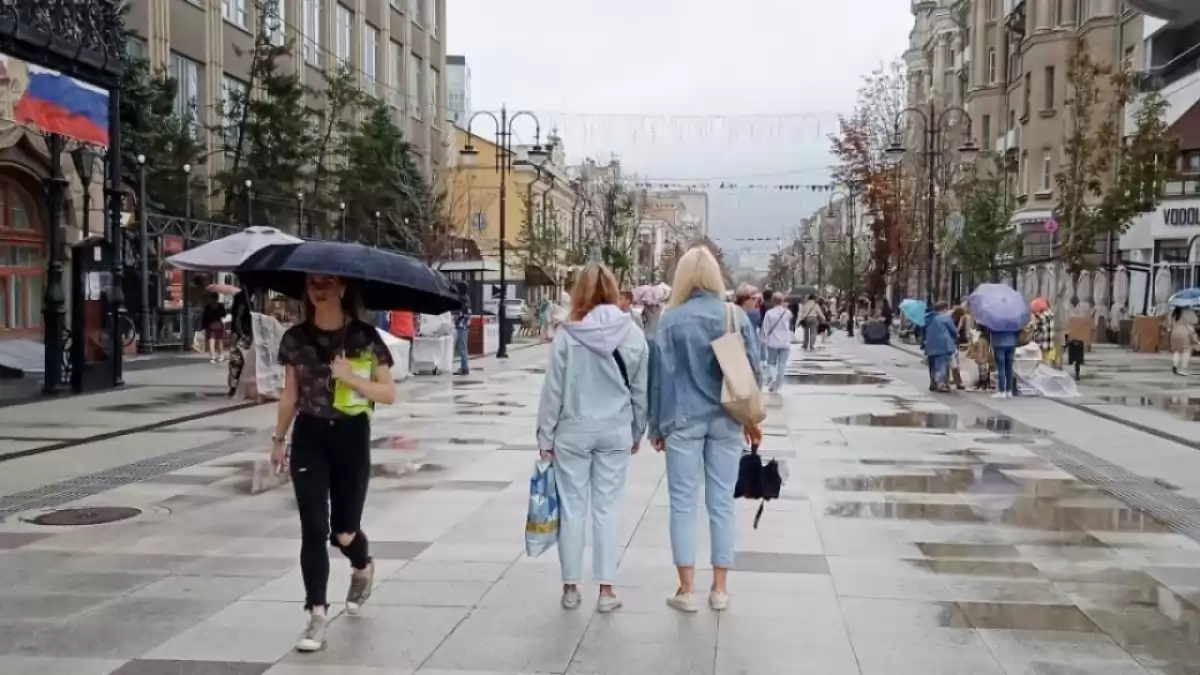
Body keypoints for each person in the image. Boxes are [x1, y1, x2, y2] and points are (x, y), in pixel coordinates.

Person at [270, 274, 396, 652]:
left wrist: (352, 378)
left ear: (342, 288)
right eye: (311, 283)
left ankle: (362, 566)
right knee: (313, 527)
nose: (317, 288)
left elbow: (388, 393)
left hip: (351, 436)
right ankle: (317, 616)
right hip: (309, 436)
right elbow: (290, 395)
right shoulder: (295, 339)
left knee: (342, 532)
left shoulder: (366, 338)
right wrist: (278, 440)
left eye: (326, 282)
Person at [648, 246, 760, 613]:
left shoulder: (670, 319)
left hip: (682, 419)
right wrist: (751, 421)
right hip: (727, 419)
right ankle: (720, 588)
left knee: (682, 504)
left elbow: (659, 378)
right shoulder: (734, 315)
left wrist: (655, 426)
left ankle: (686, 589)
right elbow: (752, 371)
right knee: (721, 503)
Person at [537, 264, 648, 613]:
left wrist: (545, 435)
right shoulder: (633, 334)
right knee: (608, 508)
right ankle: (607, 590)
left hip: (573, 429)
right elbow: (641, 391)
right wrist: (636, 429)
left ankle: (570, 587)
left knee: (572, 508)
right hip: (615, 428)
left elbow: (552, 390)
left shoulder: (568, 335)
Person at [760, 292, 794, 393]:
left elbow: (765, 328)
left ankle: (773, 377)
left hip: (773, 342)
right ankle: (779, 384)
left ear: (772, 301)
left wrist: (763, 340)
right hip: (785, 341)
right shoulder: (787, 313)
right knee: (782, 364)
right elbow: (790, 324)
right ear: (782, 301)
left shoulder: (769, 313)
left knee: (771, 362)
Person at [922, 301, 958, 392]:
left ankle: (933, 382)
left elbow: (923, 330)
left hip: (930, 344)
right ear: (945, 309)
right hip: (943, 344)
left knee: (932, 365)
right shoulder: (946, 318)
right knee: (942, 364)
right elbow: (953, 330)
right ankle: (941, 384)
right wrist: (956, 337)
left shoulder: (928, 318)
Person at [227, 289, 253, 397]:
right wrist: (242, 334)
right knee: (238, 362)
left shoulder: (245, 298)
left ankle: (235, 386)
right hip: (240, 335)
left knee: (238, 362)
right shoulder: (244, 300)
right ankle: (234, 386)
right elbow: (238, 318)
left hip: (239, 334)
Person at [988, 323, 1021, 399]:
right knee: (1009, 367)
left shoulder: (996, 319)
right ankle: (1009, 391)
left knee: (1001, 367)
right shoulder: (1012, 319)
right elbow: (1018, 330)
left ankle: (1002, 391)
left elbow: (990, 330)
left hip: (999, 343)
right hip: (1011, 342)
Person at [1169, 306, 1198, 376]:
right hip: (1184, 333)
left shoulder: (1173, 312)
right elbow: (1195, 321)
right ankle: (1183, 369)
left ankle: (1175, 364)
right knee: (1186, 351)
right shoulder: (1187, 311)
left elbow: (1169, 324)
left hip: (1174, 333)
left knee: (1177, 350)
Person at [201, 294, 227, 363]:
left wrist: (203, 326)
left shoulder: (208, 306)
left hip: (211, 325)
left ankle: (213, 357)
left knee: (212, 341)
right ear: (217, 298)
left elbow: (204, 317)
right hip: (219, 324)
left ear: (211, 298)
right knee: (219, 341)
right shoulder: (220, 306)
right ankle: (221, 355)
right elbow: (224, 315)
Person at [1031, 297, 1057, 365]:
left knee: (1042, 366)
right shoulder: (1051, 315)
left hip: (1043, 346)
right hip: (1051, 346)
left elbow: (1034, 329)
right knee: (1049, 366)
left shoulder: (1040, 317)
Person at [453, 284, 472, 376]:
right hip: (465, 326)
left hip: (461, 326)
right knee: (464, 347)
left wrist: (456, 320)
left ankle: (464, 368)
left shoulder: (462, 300)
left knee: (462, 347)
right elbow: (468, 314)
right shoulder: (467, 299)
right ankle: (464, 367)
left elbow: (462, 314)